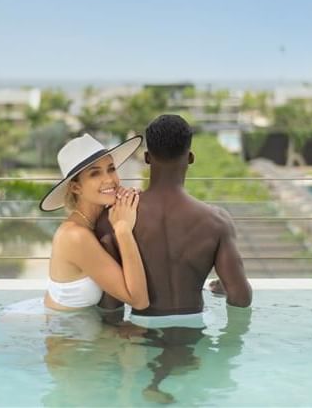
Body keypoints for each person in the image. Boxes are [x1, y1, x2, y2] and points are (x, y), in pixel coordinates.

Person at [95, 114, 251, 322]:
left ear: (147, 158)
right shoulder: (217, 221)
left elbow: (111, 306)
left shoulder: (115, 217)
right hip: (195, 338)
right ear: (190, 158)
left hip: (142, 338)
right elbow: (241, 298)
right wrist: (225, 284)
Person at [31, 133, 149, 312]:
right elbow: (139, 301)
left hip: (83, 326)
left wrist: (131, 200)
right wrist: (123, 230)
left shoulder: (97, 221)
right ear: (76, 187)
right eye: (95, 174)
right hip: (65, 333)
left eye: (111, 169)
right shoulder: (75, 236)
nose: (109, 179)